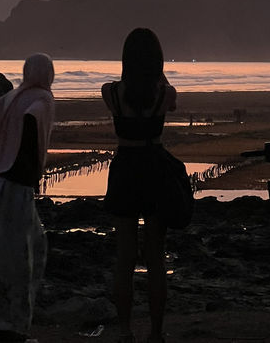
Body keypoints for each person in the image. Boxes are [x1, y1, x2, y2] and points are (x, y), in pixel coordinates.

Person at [0, 53, 55, 342]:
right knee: (25, 255)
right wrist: (28, 164)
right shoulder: (42, 98)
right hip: (18, 183)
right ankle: (13, 325)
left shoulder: (15, 96)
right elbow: (33, 119)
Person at [102, 28, 178, 343]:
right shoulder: (163, 94)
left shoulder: (112, 93)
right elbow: (171, 99)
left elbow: (111, 89)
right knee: (155, 256)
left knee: (125, 256)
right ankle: (157, 332)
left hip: (125, 170)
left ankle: (124, 331)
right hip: (155, 168)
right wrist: (161, 77)